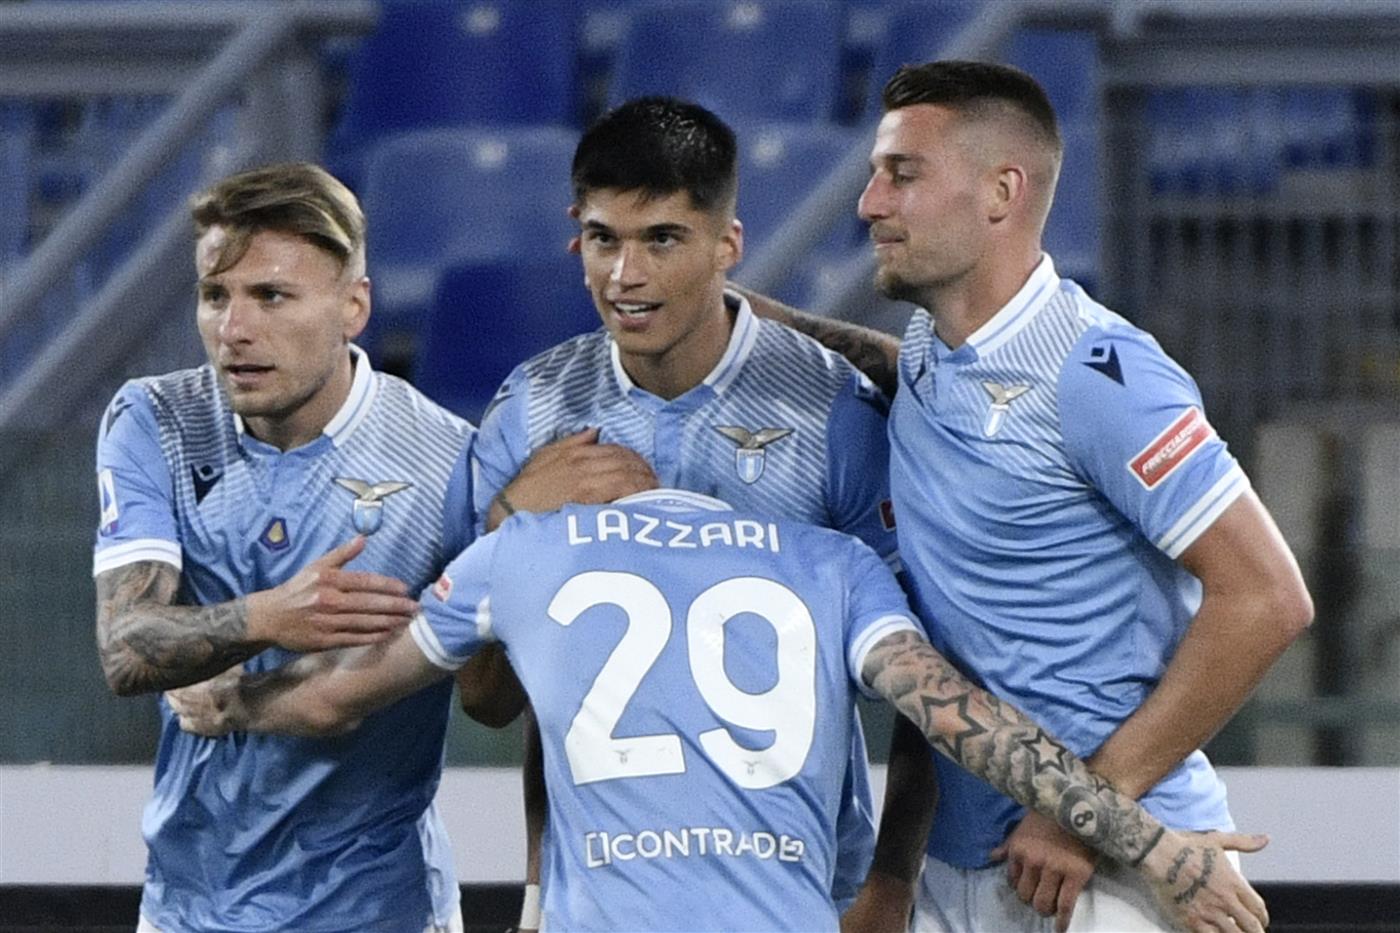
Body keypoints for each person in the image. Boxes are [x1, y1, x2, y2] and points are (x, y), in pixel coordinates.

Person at [747, 61, 1314, 932]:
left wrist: (1091, 806)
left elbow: (1268, 598)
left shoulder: (1102, 375)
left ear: (1002, 192)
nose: (868, 203)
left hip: (1111, 861)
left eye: (902, 174)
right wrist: (727, 314)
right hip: (964, 859)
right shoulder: (935, 352)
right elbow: (915, 380)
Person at [167, 489, 1271, 933]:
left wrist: (227, 698)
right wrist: (1148, 845)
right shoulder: (832, 562)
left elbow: (334, 697)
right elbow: (959, 718)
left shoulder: (530, 549)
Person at [458, 96, 913, 928]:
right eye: (605, 239)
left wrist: (893, 881)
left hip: (806, 892)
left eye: (661, 239)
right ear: (577, 238)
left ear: (726, 245)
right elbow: (486, 701)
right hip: (592, 899)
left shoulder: (833, 413)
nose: (626, 277)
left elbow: (921, 680)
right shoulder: (531, 413)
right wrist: (509, 520)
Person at [92, 163, 475, 933]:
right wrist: (271, 616)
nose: (235, 330)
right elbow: (126, 649)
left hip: (378, 908)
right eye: (215, 295)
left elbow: (501, 693)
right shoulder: (155, 420)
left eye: (271, 295)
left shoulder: (448, 461)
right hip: (189, 907)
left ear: (353, 307)